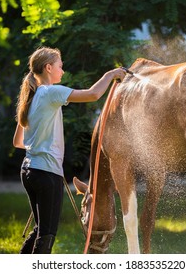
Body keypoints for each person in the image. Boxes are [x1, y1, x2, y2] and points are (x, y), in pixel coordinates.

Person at [12, 46, 125, 254]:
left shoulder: (31, 97)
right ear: (48, 68)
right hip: (46, 174)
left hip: (28, 171)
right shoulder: (50, 92)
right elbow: (92, 95)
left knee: (40, 229)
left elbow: (18, 141)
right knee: (46, 234)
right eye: (60, 67)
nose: (62, 71)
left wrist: (41, 147)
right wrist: (111, 75)